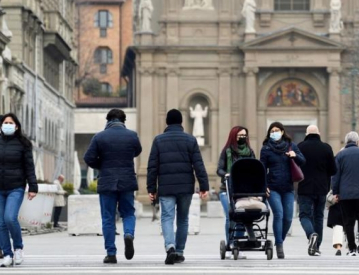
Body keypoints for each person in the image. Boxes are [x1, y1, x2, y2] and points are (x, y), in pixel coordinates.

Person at [147, 109, 209, 265]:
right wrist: (204, 186)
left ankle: (170, 247)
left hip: (166, 187)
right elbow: (198, 165)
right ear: (181, 122)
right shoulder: (190, 140)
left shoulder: (158, 140)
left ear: (167, 122)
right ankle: (180, 251)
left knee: (167, 217)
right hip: (185, 187)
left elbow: (152, 167)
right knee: (182, 219)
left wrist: (151, 189)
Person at [84, 109, 142, 264]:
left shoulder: (99, 137)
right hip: (127, 181)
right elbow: (138, 151)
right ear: (124, 120)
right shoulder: (132, 135)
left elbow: (88, 158)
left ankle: (111, 253)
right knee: (128, 213)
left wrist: (101, 165)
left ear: (107, 120)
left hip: (107, 182)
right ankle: (128, 234)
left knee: (108, 218)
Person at [260, 122, 306, 259]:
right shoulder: (266, 148)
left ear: (282, 131)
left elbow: (303, 161)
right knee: (278, 214)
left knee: (288, 218)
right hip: (272, 187)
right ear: (269, 133)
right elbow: (261, 169)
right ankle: (279, 245)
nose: (274, 132)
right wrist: (264, 186)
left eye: (277, 130)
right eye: (272, 131)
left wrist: (294, 155)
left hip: (288, 188)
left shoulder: (291, 146)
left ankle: (280, 239)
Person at [0, 113, 37, 267]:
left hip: (16, 187)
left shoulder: (23, 144)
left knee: (10, 218)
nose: (8, 125)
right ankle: (7, 254)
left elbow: (29, 166)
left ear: (16, 126)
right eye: (5, 122)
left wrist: (33, 187)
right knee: (0, 223)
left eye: (11, 122)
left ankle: (18, 248)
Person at [331, 131, 359, 256]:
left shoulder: (340, 155)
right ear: (357, 142)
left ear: (346, 142)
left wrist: (336, 192)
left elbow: (335, 176)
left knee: (348, 221)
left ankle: (352, 249)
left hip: (345, 195)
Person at [297, 125, 336, 256]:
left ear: (306, 133)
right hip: (322, 188)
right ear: (319, 133)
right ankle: (317, 246)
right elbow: (333, 170)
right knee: (319, 217)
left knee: (304, 215)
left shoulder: (300, 147)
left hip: (304, 187)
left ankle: (311, 234)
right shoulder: (326, 148)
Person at [217, 126, 256, 250]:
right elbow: (219, 169)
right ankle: (230, 244)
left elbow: (255, 167)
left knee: (242, 216)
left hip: (244, 190)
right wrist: (226, 174)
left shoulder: (250, 151)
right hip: (227, 189)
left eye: (244, 135)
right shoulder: (227, 151)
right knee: (231, 215)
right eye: (240, 135)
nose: (242, 138)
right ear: (234, 136)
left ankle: (238, 244)